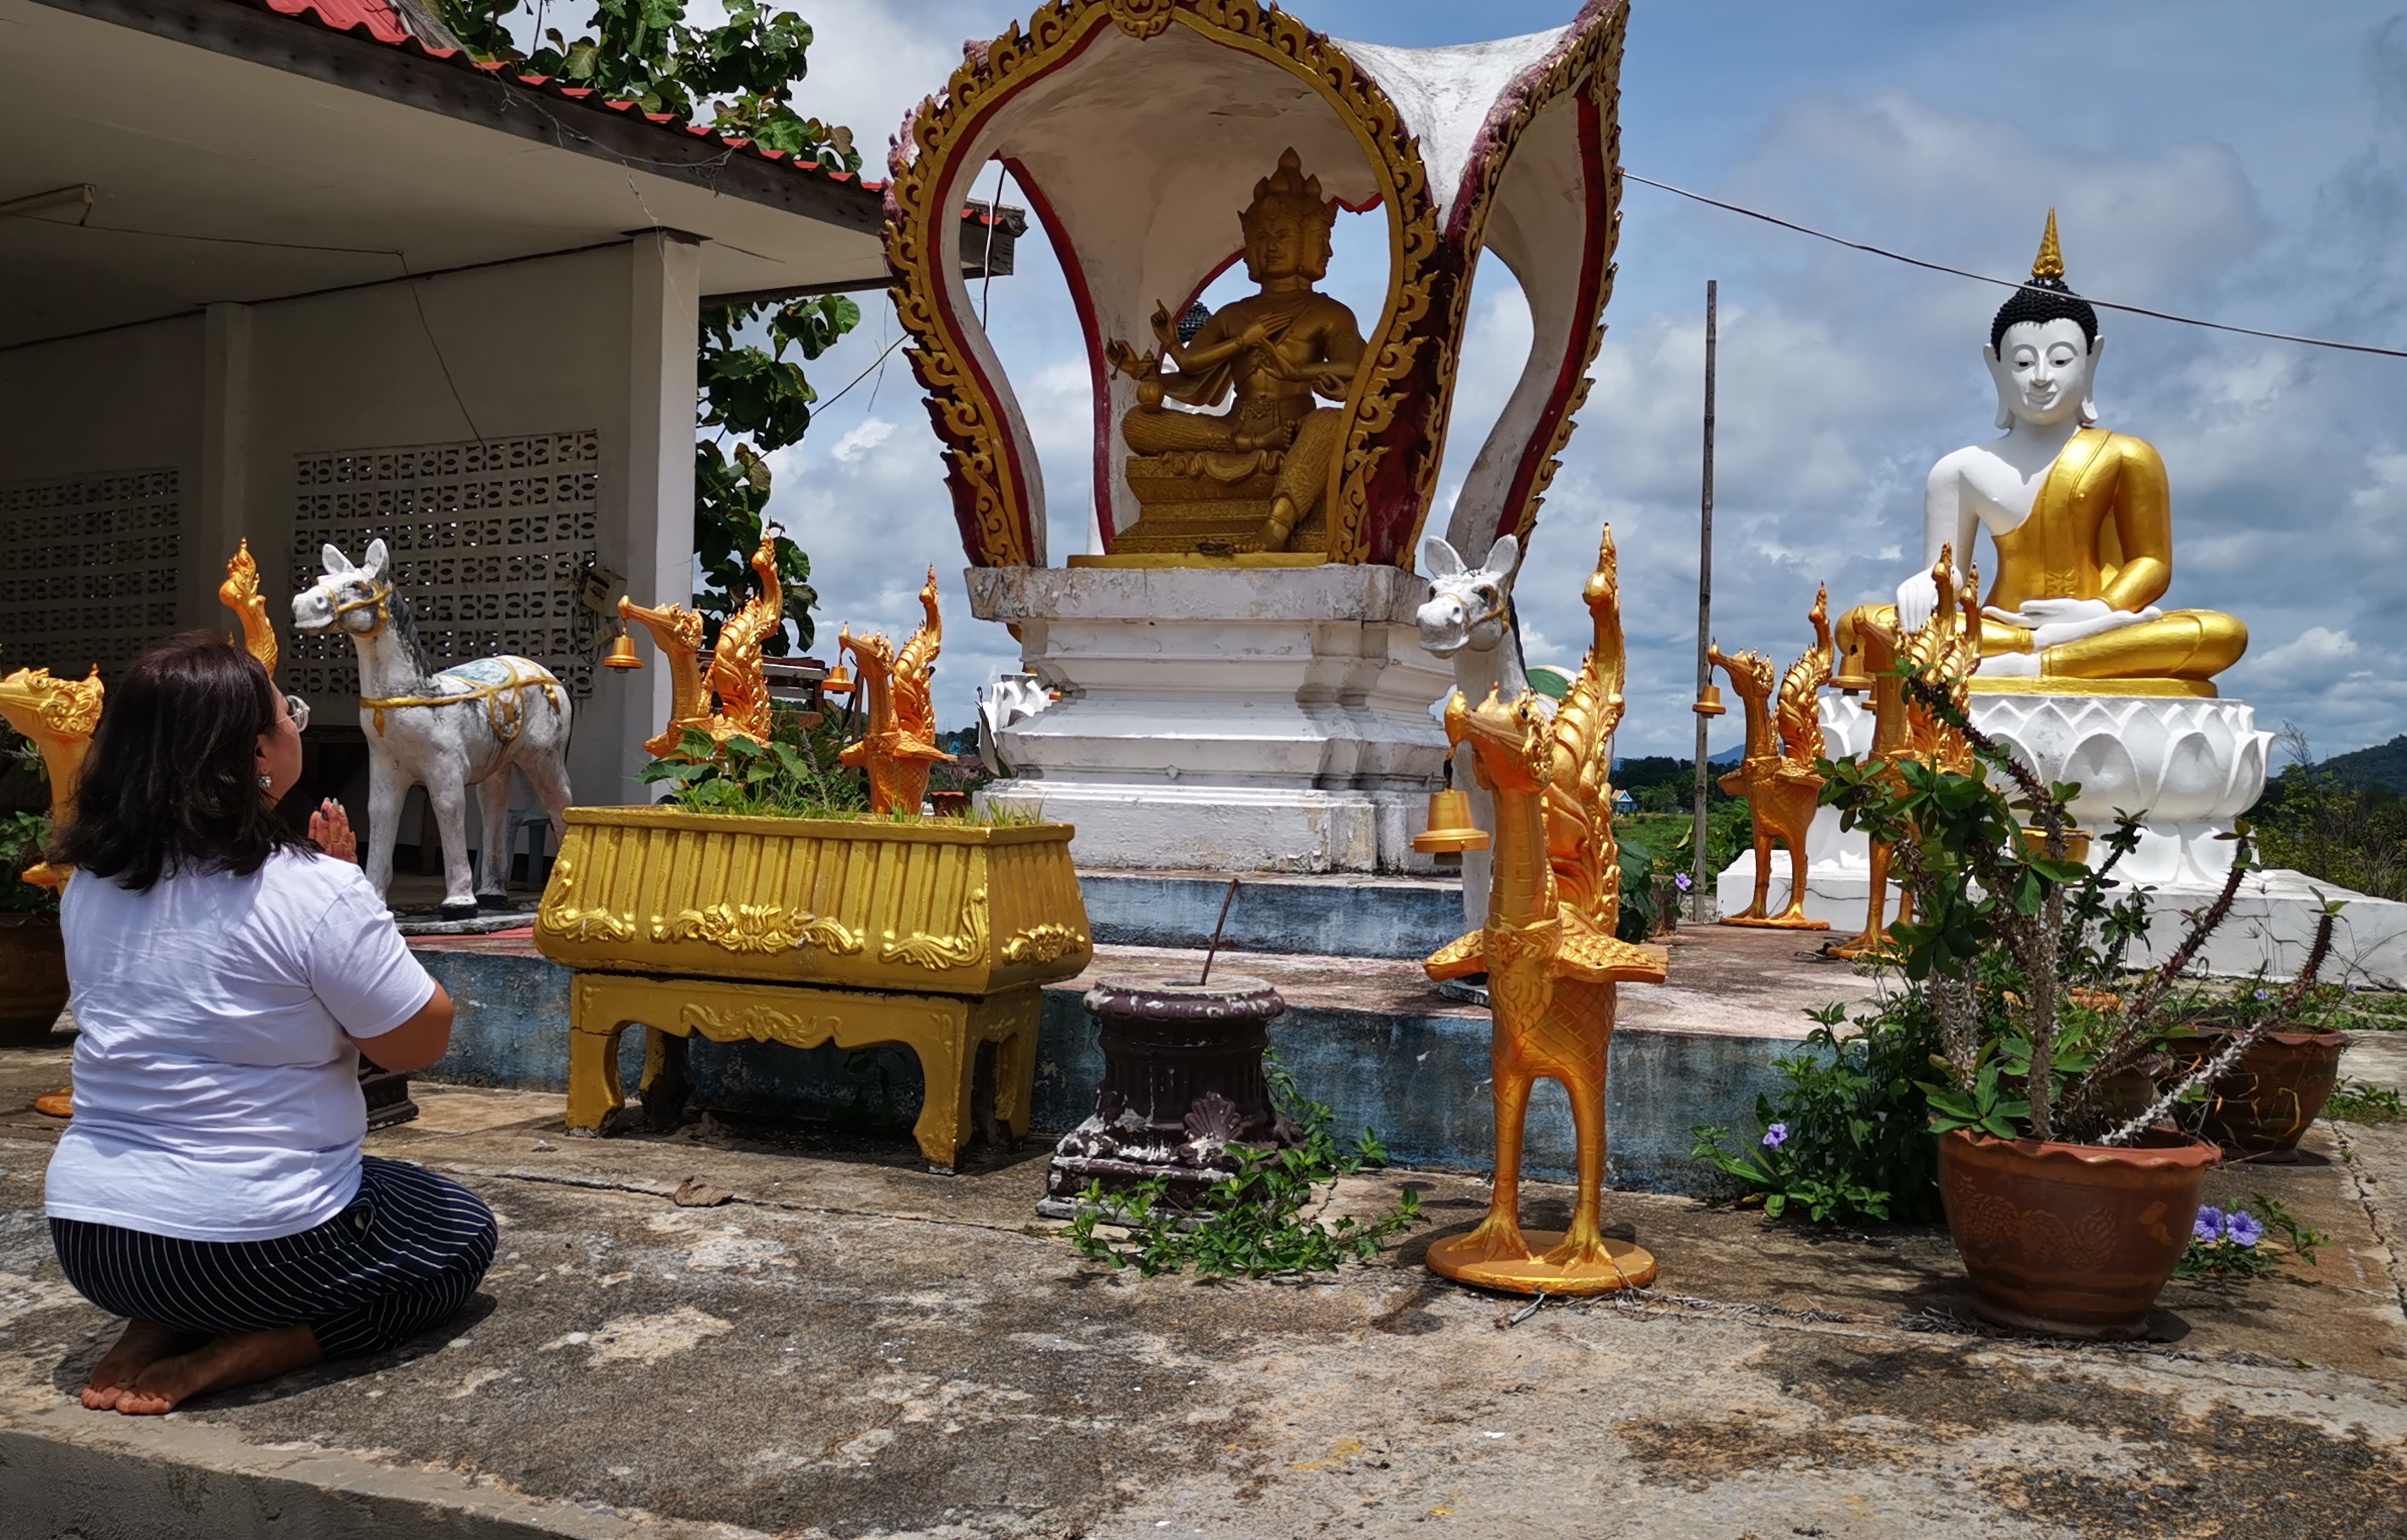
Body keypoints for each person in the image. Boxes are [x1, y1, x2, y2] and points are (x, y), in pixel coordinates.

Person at [43, 632, 495, 1415]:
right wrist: (362, 912)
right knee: (458, 1234)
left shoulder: (90, 886)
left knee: (340, 1194)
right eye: (287, 711)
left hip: (94, 1242)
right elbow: (416, 1038)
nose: (295, 723)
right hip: (247, 1248)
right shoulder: (314, 891)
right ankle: (265, 1344)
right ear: (256, 750)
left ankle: (157, 1326)